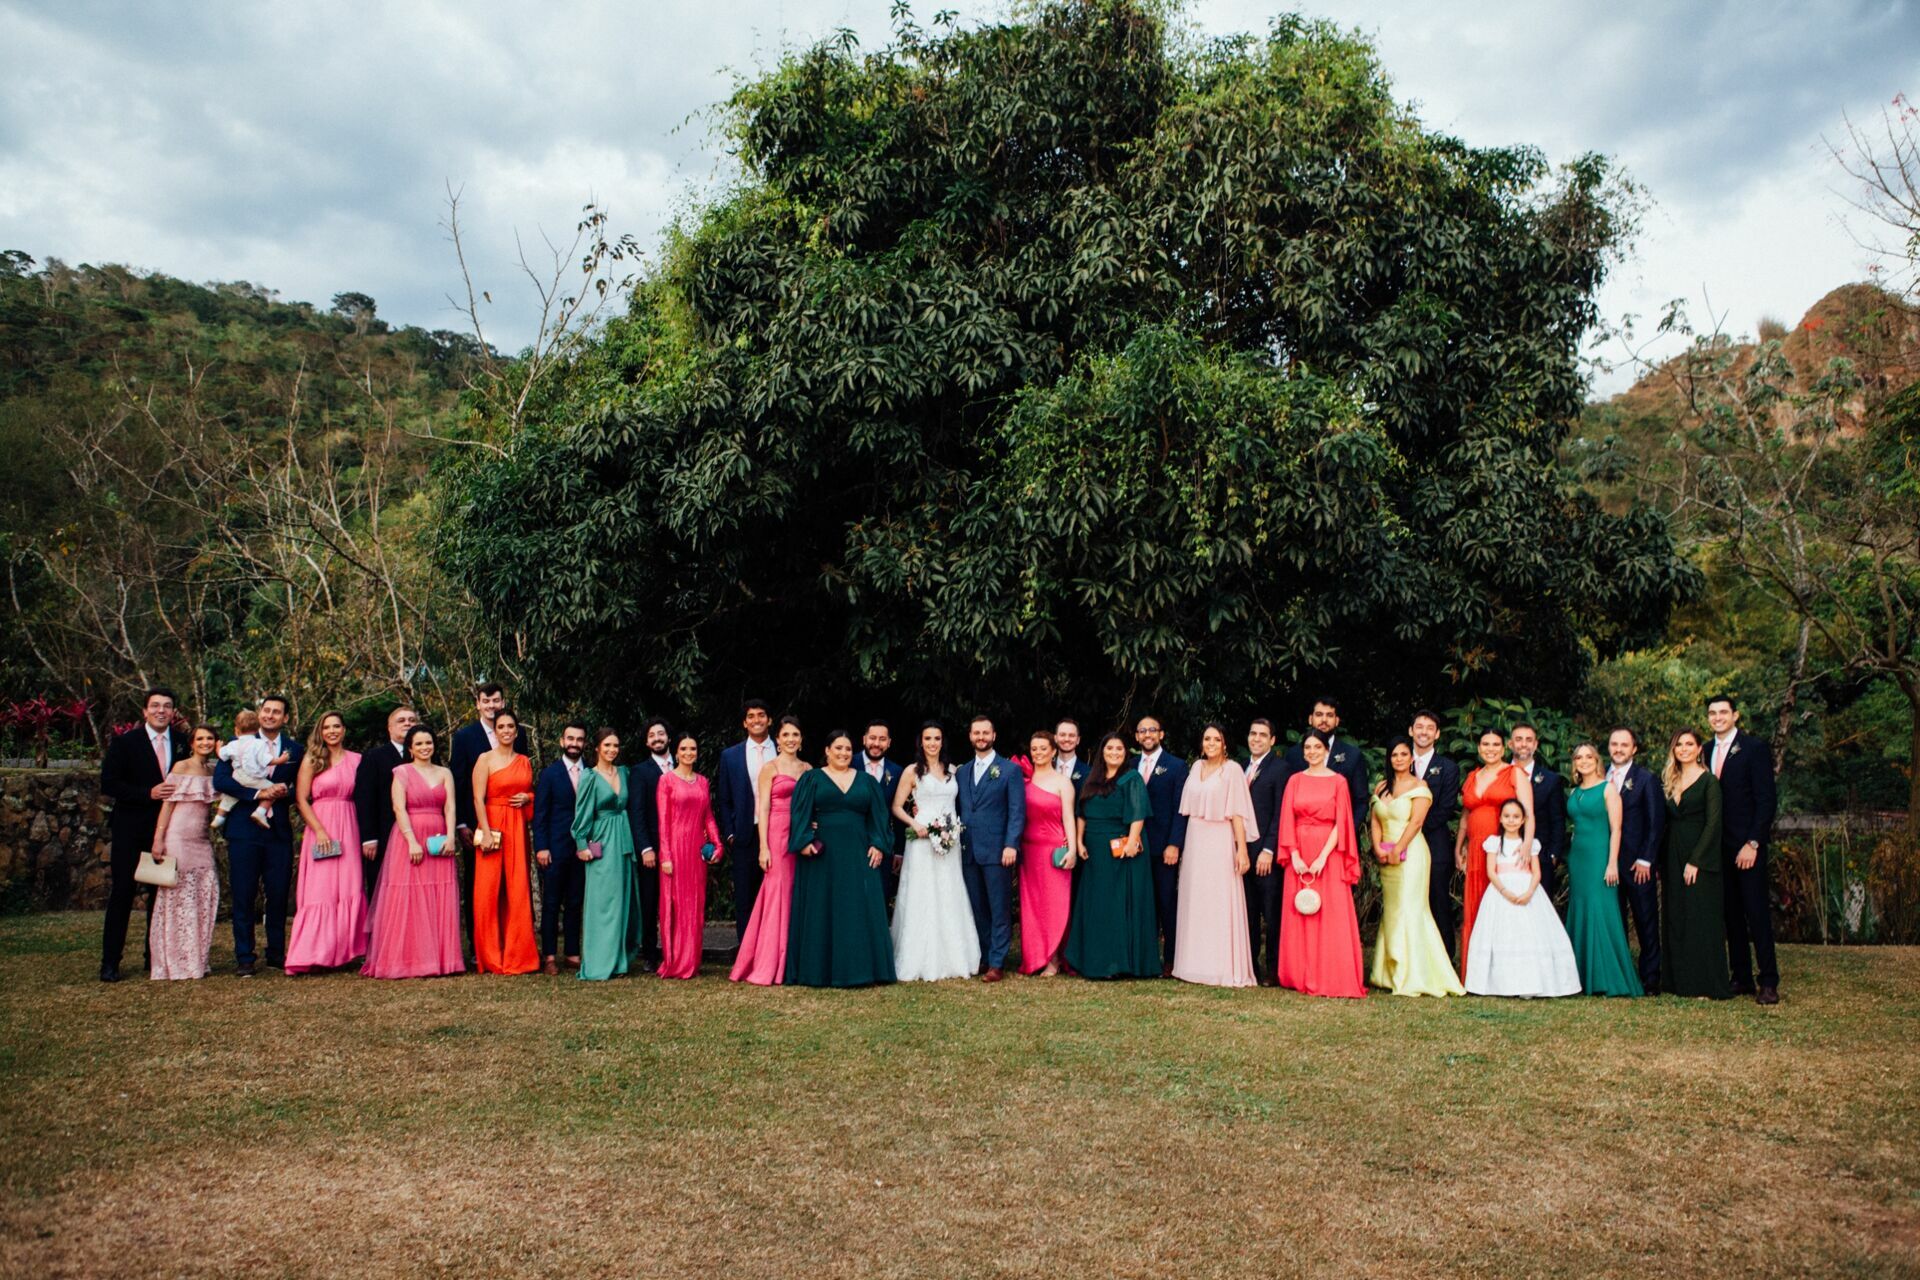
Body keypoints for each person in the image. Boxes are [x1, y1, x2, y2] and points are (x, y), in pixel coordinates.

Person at [785, 729, 896, 988]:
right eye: (838, 748)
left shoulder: (867, 782)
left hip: (859, 854)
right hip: (822, 855)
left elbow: (879, 817)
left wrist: (878, 844)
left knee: (858, 907)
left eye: (847, 749)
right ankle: (818, 971)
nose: (843, 753)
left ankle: (863, 970)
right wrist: (804, 842)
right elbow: (799, 813)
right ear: (827, 751)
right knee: (822, 908)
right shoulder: (811, 779)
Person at [97, 687, 190, 982]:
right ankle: (110, 962)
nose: (161, 710)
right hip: (130, 828)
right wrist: (146, 793)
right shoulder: (126, 743)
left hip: (168, 830)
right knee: (122, 893)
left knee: (159, 895)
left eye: (167, 706)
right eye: (155, 706)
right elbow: (109, 784)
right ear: (145, 711)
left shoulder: (183, 743)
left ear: (173, 712)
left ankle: (154, 957)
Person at [362, 726, 464, 979]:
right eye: (418, 744)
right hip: (409, 836)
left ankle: (441, 959)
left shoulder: (444, 773)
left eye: (428, 742)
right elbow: (399, 807)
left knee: (437, 892)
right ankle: (405, 959)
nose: (424, 747)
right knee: (408, 896)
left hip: (438, 835)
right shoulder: (402, 772)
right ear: (410, 748)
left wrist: (451, 837)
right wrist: (412, 841)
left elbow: (450, 806)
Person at [1367, 737, 1464, 997]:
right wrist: (1377, 847)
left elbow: (1417, 822)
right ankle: (1387, 972)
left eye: (1403, 754)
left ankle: (1415, 973)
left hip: (1411, 853)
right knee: (1393, 909)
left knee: (1411, 908)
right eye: (1394, 755)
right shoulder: (1382, 787)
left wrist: (1399, 847)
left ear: (1411, 759)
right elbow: (1375, 819)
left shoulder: (1420, 787)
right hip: (1386, 855)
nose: (1398, 759)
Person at [214, 694, 303, 976]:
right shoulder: (237, 744)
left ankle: (276, 953)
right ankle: (245, 957)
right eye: (266, 710)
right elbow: (221, 780)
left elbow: (301, 787)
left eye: (277, 712)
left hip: (277, 832)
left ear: (285, 718)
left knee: (277, 893)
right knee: (243, 893)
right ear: (259, 713)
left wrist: (282, 793)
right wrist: (257, 793)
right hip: (243, 829)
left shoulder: (294, 750)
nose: (270, 715)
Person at [1275, 730, 1365, 998]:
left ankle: (1331, 972)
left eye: (1317, 747)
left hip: (1329, 852)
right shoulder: (1294, 780)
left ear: (1327, 750)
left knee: (1330, 912)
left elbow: (1343, 822)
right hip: (1299, 851)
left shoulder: (1338, 782)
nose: (1312, 751)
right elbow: (1287, 819)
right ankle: (1299, 972)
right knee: (1302, 909)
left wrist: (1324, 856)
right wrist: (1294, 855)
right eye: (1308, 747)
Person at [889, 722, 981, 981]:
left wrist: (951, 830)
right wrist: (914, 824)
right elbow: (897, 806)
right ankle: (919, 954)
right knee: (923, 891)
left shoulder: (954, 771)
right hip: (921, 838)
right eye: (927, 738)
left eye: (937, 738)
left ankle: (953, 955)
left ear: (943, 742)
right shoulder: (911, 771)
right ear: (921, 742)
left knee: (949, 890)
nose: (932, 743)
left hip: (949, 838)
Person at [1462, 799, 1582, 997]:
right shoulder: (1494, 843)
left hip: (1527, 891)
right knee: (1503, 934)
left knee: (1529, 933)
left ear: (1524, 820)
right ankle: (1501, 984)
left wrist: (1529, 893)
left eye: (1516, 817)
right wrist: (1505, 891)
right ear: (1500, 819)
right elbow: (1491, 872)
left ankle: (1533, 981)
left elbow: (1536, 873)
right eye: (1507, 816)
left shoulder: (1530, 844)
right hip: (1501, 892)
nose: (1511, 820)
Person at [1062, 733, 1158, 979]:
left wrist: (1133, 841)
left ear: (1126, 753)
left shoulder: (1131, 778)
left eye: (1119, 748)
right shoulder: (1091, 779)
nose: (1114, 752)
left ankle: (1117, 963)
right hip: (1094, 850)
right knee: (1097, 904)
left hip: (1121, 849)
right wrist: (1080, 841)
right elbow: (1081, 812)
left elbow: (1138, 814)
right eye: (1109, 748)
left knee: (1118, 904)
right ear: (1102, 752)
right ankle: (1093, 960)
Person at [1707, 695, 1780, 1004]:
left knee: (1756, 913)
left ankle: (1768, 981)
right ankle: (1741, 977)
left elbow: (1766, 800)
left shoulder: (1754, 749)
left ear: (1735, 715)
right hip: (1718, 848)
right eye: (1712, 713)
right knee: (1731, 914)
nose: (1718, 717)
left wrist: (1753, 843)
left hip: (1747, 845)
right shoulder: (1704, 750)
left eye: (1724, 712)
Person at [1171, 724, 1255, 988]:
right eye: (1207, 739)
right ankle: (1193, 965)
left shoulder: (1232, 770)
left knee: (1218, 901)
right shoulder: (1195, 768)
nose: (1210, 743)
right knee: (1196, 899)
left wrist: (1241, 849)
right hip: (1196, 840)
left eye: (1216, 739)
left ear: (1225, 743)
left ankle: (1221, 966)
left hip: (1220, 839)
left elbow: (1238, 813)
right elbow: (1185, 809)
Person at [285, 710, 369, 973]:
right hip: (321, 825)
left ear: (344, 730)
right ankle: (314, 953)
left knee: (350, 886)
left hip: (350, 825)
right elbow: (300, 799)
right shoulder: (312, 759)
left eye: (336, 726)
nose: (332, 731)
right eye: (326, 727)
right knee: (320, 890)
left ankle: (346, 951)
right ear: (320, 732)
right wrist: (320, 830)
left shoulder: (358, 760)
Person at [732, 716, 811, 985]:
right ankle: (770, 961)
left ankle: (794, 958)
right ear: (777, 739)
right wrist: (763, 847)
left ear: (801, 739)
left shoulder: (808, 768)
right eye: (786, 734)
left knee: (796, 893)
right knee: (777, 893)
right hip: (776, 834)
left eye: (795, 735)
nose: (791, 739)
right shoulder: (770, 768)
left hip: (800, 835)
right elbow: (762, 808)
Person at [450, 682, 525, 961]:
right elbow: (459, 781)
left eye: (496, 700)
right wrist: (462, 824)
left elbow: (524, 773)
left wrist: (526, 797)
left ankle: (509, 940)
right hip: (478, 824)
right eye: (486, 701)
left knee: (512, 884)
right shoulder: (464, 737)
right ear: (478, 704)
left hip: (513, 822)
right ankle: (478, 946)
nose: (492, 705)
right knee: (479, 885)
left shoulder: (519, 734)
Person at [1563, 742, 1643, 997]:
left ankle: (1607, 976)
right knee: (1581, 908)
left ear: (1597, 760)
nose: (1583, 761)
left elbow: (1616, 829)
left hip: (1600, 857)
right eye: (1578, 757)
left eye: (1588, 756)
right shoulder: (1575, 792)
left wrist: (1612, 863)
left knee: (1600, 910)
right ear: (1574, 763)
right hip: (1579, 858)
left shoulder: (1608, 789)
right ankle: (1580, 976)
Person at [1453, 727, 1533, 976]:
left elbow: (1528, 813)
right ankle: (1476, 973)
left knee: (1502, 910)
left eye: (1496, 744)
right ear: (1478, 748)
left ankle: (1503, 973)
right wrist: (1459, 847)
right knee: (1475, 908)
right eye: (1485, 744)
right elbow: (1466, 817)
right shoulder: (1472, 776)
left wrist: (1527, 846)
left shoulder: (1514, 773)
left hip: (1504, 851)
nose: (1490, 749)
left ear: (1504, 747)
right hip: (1476, 850)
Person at [146, 724, 221, 980]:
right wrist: (159, 839)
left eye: (210, 738)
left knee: (203, 894)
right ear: (192, 742)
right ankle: (175, 961)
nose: (205, 742)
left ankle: (196, 958)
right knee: (179, 899)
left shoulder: (213, 770)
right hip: (178, 837)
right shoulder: (180, 767)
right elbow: (167, 806)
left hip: (201, 840)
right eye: (200, 738)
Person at [956, 715, 1026, 981]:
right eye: (976, 733)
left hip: (998, 850)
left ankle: (998, 961)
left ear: (994, 736)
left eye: (986, 732)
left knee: (999, 908)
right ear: (971, 736)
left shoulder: (1008, 770)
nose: (981, 737)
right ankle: (985, 956)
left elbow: (1017, 811)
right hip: (968, 849)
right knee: (977, 906)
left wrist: (1011, 844)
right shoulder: (962, 772)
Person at [470, 708, 539, 975]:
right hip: (493, 825)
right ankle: (490, 955)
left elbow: (530, 793)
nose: (507, 731)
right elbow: (478, 798)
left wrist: (528, 798)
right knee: (488, 892)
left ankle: (518, 953)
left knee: (517, 889)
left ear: (516, 730)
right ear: (495, 730)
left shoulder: (524, 760)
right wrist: (485, 832)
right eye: (502, 727)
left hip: (517, 828)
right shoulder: (484, 759)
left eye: (511, 726)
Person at [1662, 729, 1730, 999]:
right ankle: (1678, 981)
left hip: (1700, 857)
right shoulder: (1669, 779)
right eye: (1679, 744)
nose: (1683, 748)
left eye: (1689, 744)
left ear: (1700, 748)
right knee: (1677, 915)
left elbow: (1714, 824)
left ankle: (1705, 983)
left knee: (1701, 918)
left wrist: (1695, 860)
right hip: (1672, 854)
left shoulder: (1709, 782)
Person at [573, 728, 640, 981]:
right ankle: (599, 963)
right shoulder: (589, 777)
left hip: (623, 840)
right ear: (597, 748)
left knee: (622, 901)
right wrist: (582, 845)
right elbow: (581, 815)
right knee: (602, 904)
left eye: (616, 745)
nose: (612, 749)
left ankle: (619, 962)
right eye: (608, 745)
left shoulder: (624, 772)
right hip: (600, 842)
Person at [655, 731, 722, 979]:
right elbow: (663, 822)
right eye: (684, 749)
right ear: (676, 752)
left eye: (692, 749)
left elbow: (708, 817)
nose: (688, 753)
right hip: (674, 848)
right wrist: (665, 856)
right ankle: (674, 961)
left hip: (696, 850)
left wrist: (717, 844)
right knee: (674, 905)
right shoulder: (667, 781)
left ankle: (692, 960)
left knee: (695, 904)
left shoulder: (703, 781)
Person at [1607, 726, 1666, 992]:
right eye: (1614, 744)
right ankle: (1619, 972)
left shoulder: (1645, 779)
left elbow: (1656, 823)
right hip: (1608, 863)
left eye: (1624, 745)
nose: (1618, 749)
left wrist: (1646, 859)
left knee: (1645, 920)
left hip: (1636, 863)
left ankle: (1651, 976)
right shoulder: (1600, 777)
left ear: (1634, 749)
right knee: (1615, 918)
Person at [1017, 729, 1078, 976]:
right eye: (1034, 749)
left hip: (1054, 850)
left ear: (1053, 751)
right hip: (1028, 852)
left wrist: (1072, 849)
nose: (1038, 753)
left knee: (1055, 905)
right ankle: (1035, 956)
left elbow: (1069, 819)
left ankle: (1053, 958)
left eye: (1043, 748)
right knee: (1032, 906)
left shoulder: (1062, 782)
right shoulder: (1022, 781)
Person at [1131, 714, 1189, 976]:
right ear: (1136, 736)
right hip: (1135, 847)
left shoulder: (1176, 766)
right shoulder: (1130, 765)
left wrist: (1174, 844)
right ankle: (1145, 957)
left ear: (1161, 735)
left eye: (1152, 730)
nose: (1147, 735)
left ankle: (1171, 960)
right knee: (1142, 903)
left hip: (1163, 847)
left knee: (1166, 902)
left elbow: (1181, 808)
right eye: (1142, 731)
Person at [715, 699, 776, 941]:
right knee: (745, 896)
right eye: (751, 716)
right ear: (744, 722)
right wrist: (730, 833)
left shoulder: (783, 749)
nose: (757, 720)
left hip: (778, 831)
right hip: (744, 833)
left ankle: (773, 949)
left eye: (761, 715)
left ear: (769, 720)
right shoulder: (731, 756)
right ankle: (746, 951)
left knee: (774, 893)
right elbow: (724, 798)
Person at [532, 722, 590, 974]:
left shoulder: (591, 772)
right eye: (570, 738)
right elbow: (540, 814)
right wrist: (541, 847)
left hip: (583, 849)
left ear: (584, 743)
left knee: (576, 901)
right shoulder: (550, 774)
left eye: (579, 739)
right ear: (561, 741)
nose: (574, 743)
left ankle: (573, 953)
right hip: (555, 848)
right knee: (552, 903)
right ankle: (549, 956)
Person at [1277, 698, 1371, 853]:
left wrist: (1344, 833)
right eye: (1319, 714)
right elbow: (1287, 803)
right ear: (1310, 719)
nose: (1324, 720)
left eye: (1329, 715)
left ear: (1337, 721)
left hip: (1341, 844)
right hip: (1300, 843)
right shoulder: (1294, 755)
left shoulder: (1352, 755)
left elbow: (1361, 801)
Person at [1409, 709, 1461, 960]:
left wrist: (1415, 828)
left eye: (1430, 728)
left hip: (1434, 843)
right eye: (1419, 727)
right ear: (1411, 730)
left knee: (1438, 898)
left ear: (1437, 734)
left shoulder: (1448, 768)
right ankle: (1412, 955)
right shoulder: (1399, 761)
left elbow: (1446, 807)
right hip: (1401, 844)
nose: (1424, 732)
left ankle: (1444, 957)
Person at [353, 705, 418, 902]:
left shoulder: (426, 753)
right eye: (401, 720)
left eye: (412, 720)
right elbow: (364, 798)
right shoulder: (374, 756)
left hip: (419, 831)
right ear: (389, 728)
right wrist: (369, 837)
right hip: (383, 834)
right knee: (383, 888)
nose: (407, 723)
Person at [1242, 718, 1285, 987]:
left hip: (1266, 854)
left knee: (1271, 914)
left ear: (1272, 740)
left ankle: (1273, 968)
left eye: (1262, 735)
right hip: (1243, 854)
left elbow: (1280, 813)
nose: (1256, 738)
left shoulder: (1280, 769)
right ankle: (1251, 965)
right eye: (1253, 733)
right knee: (1247, 912)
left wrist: (1269, 848)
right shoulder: (1240, 768)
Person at [625, 717, 672, 968]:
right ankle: (650, 953)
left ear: (668, 738)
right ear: (646, 742)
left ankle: (675, 949)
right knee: (650, 899)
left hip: (679, 846)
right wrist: (645, 848)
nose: (657, 738)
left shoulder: (681, 765)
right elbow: (637, 812)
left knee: (675, 899)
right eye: (652, 735)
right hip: (652, 848)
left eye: (661, 733)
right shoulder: (640, 772)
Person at [1510, 723, 1567, 901]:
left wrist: (1553, 855)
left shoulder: (1551, 780)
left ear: (1536, 745)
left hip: (1540, 856)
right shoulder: (1500, 774)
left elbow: (1558, 820)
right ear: (1510, 744)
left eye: (1529, 740)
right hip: (1504, 855)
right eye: (1518, 739)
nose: (1524, 744)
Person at [216, 712, 284, 830]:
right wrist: (282, 759)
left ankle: (219, 817)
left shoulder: (232, 744)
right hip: (253, 779)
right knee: (273, 789)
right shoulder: (259, 744)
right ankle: (260, 812)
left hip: (237, 776)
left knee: (229, 797)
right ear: (258, 728)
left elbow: (221, 755)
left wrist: (218, 748)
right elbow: (267, 760)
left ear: (236, 730)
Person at [860, 719, 903, 900]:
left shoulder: (897, 771)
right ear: (864, 739)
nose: (876, 743)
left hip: (884, 845)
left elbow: (899, 812)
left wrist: (899, 850)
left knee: (881, 896)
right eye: (872, 738)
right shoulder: (848, 763)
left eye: (882, 739)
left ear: (889, 743)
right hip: (853, 841)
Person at [1054, 719, 1089, 792]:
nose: (1067, 739)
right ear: (1055, 738)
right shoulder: (1046, 768)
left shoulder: (1088, 772)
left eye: (1071, 735)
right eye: (1062, 735)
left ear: (1078, 740)